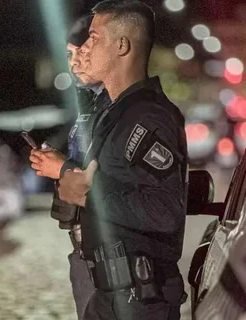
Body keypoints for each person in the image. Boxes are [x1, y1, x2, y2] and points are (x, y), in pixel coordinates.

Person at [57, 1, 188, 319]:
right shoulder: (114, 115)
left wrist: (88, 194)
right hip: (112, 297)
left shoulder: (147, 117)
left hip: (140, 300)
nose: (86, 47)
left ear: (122, 45)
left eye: (94, 37)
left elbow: (165, 211)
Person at [28, 15, 110, 319]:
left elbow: (118, 186)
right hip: (83, 249)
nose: (75, 63)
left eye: (82, 53)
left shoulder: (121, 109)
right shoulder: (89, 107)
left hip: (111, 257)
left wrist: (63, 169)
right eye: (69, 56)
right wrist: (58, 162)